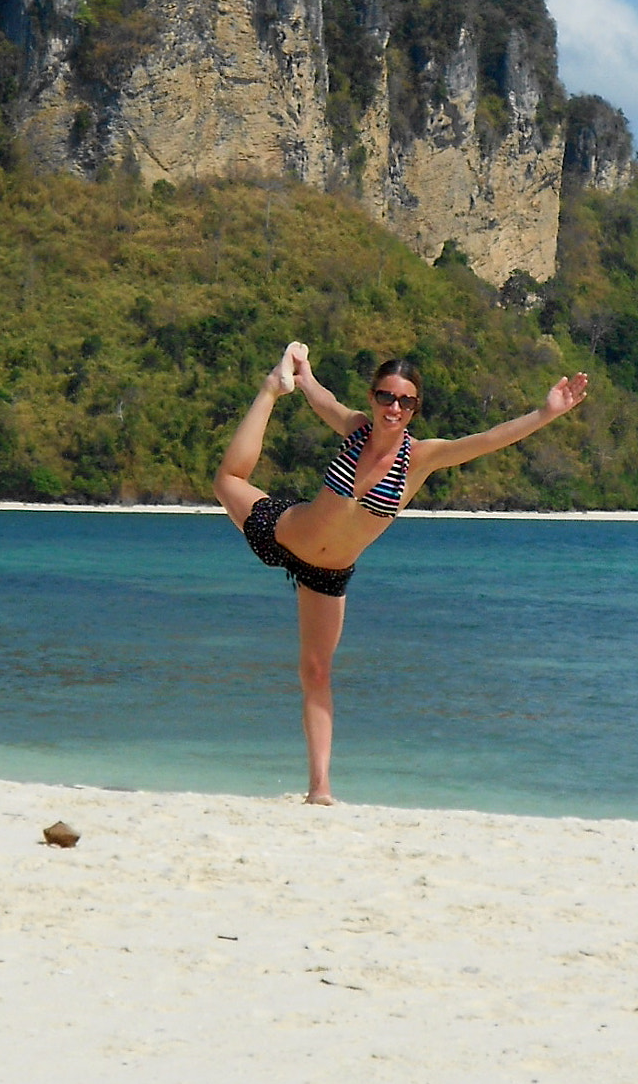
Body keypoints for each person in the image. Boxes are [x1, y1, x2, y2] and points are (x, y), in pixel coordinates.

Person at [214, 343, 590, 804]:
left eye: (405, 401)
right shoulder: (355, 428)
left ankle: (320, 789)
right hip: (284, 534)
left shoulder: (421, 459)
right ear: (373, 398)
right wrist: (300, 377)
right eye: (386, 397)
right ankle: (270, 390)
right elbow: (323, 399)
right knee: (227, 480)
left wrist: (544, 413)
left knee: (316, 670)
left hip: (327, 574)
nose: (394, 407)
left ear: (416, 407)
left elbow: (486, 440)